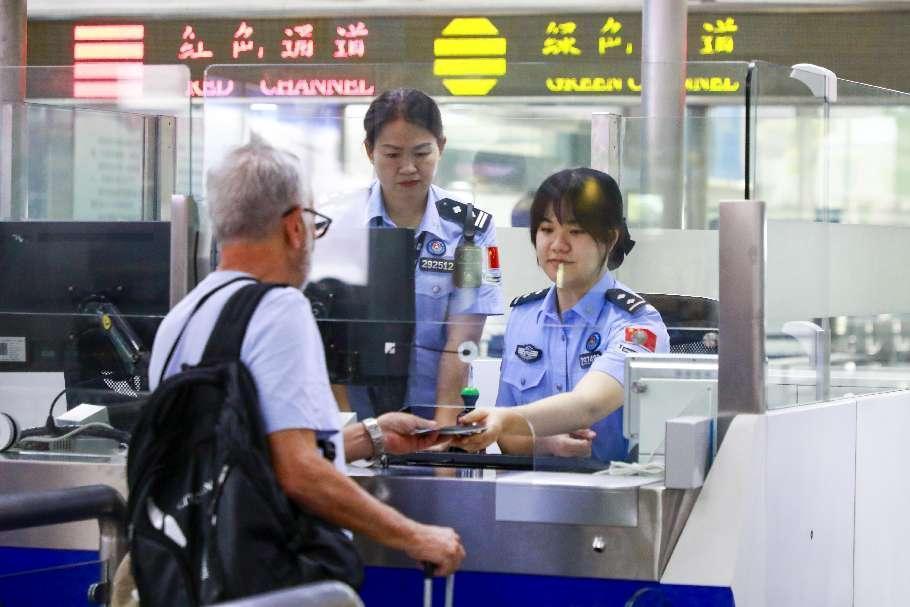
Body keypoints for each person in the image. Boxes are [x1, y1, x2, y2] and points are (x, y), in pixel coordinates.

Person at [147, 139, 464, 577]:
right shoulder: (280, 309)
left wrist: (372, 435)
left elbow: (250, 455)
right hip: (267, 579)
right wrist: (415, 535)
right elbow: (297, 471)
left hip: (196, 573)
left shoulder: (182, 317)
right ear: (295, 227)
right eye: (316, 224)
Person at [455, 168, 669, 463]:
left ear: (609, 239)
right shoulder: (523, 318)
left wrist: (505, 420)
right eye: (546, 230)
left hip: (615, 487)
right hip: (533, 488)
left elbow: (588, 405)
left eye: (575, 231)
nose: (557, 245)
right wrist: (547, 444)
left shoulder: (637, 324)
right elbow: (506, 437)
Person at [324, 88, 503, 426]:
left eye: (422, 153)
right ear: (369, 150)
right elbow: (328, 339)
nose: (408, 168)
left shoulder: (468, 230)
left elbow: (461, 340)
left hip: (435, 416)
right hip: (357, 419)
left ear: (441, 147)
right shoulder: (338, 224)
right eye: (392, 154)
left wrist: (443, 431)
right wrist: (352, 430)